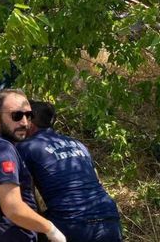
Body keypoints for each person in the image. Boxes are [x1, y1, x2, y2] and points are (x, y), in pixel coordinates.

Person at [0, 89, 66, 242]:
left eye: (29, 115)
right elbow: (13, 208)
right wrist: (50, 229)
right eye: (16, 116)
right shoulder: (2, 150)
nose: (24, 122)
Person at [16, 101, 122, 242]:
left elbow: (24, 195)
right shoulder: (78, 144)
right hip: (110, 219)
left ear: (30, 122)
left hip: (71, 223)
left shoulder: (26, 147)